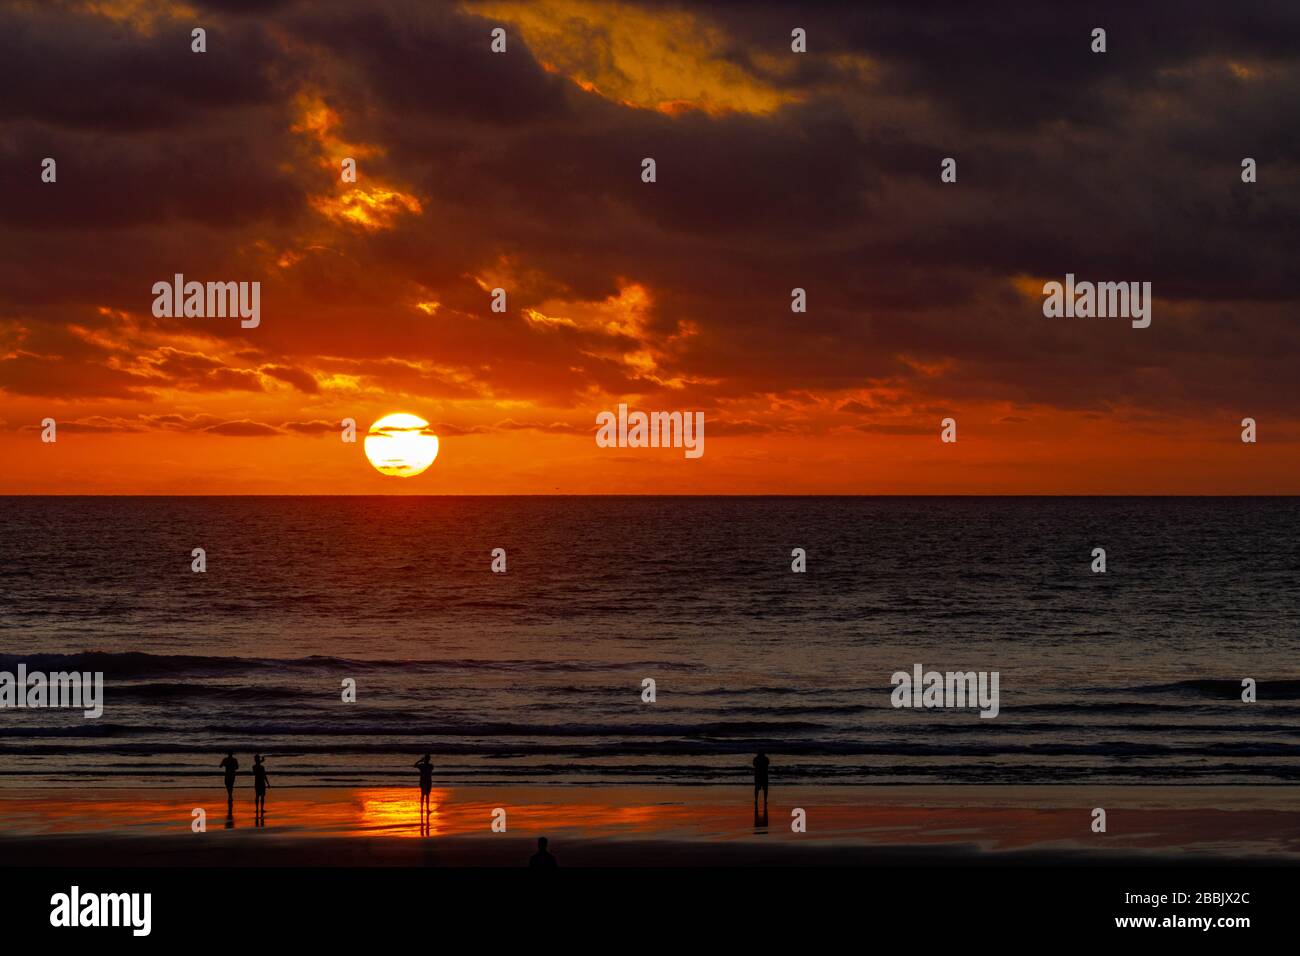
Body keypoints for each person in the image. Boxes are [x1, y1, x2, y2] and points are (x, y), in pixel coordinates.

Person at [252, 754, 269, 822]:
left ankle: (260, 809)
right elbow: (257, 772)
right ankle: (258, 809)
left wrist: (268, 783)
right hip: (259, 782)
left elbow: (264, 775)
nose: (259, 760)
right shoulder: (255, 767)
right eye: (258, 759)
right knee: (258, 796)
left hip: (260, 782)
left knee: (261, 796)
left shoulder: (260, 767)